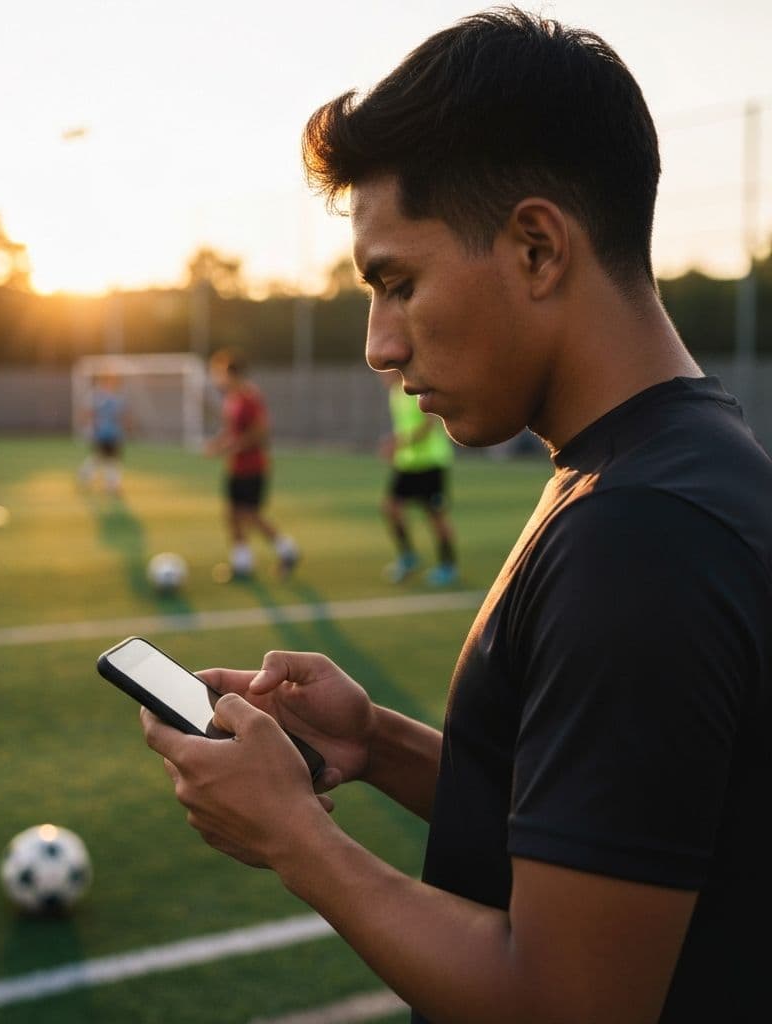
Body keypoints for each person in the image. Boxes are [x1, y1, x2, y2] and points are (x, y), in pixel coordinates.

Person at [138, 9, 772, 1023]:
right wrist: (377, 744)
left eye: (398, 283)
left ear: (534, 248)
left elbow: (569, 1002)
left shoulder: (642, 531)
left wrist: (295, 835)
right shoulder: (663, 465)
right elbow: (618, 828)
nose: (379, 344)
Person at [205, 347, 298, 581]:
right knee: (232, 515)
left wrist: (236, 446)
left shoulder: (249, 397)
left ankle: (287, 550)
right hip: (235, 466)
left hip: (253, 466)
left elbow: (261, 431)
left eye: (219, 372)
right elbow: (230, 431)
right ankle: (242, 564)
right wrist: (218, 444)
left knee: (250, 515)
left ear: (231, 372)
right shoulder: (231, 399)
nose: (217, 377)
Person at [379, 371, 458, 585]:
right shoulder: (395, 393)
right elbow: (405, 428)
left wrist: (399, 443)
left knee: (435, 516)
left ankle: (448, 565)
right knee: (391, 508)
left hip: (431, 462)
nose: (380, 374)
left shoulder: (416, 387)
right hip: (408, 464)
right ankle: (408, 557)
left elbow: (429, 423)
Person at [78, 370, 129, 496]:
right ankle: (109, 485)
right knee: (104, 458)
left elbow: (121, 415)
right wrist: (91, 427)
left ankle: (108, 484)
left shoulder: (117, 397)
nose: (113, 382)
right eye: (110, 379)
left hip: (114, 432)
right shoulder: (96, 395)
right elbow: (87, 412)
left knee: (109, 458)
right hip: (101, 432)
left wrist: (124, 427)